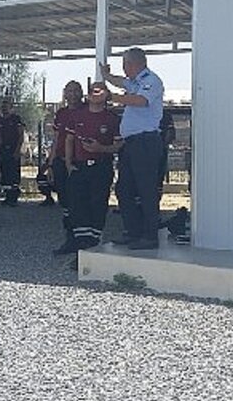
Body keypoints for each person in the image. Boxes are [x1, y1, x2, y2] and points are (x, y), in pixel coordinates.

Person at [101, 47, 165, 250]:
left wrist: (111, 97)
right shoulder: (136, 82)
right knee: (124, 189)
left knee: (146, 190)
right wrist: (107, 75)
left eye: (125, 64)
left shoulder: (151, 81)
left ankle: (150, 236)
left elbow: (140, 100)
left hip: (146, 141)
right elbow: (121, 82)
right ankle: (133, 232)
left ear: (132, 64)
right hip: (131, 143)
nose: (124, 68)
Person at [54, 82, 122, 254]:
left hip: (100, 167)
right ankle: (77, 241)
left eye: (100, 91)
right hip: (78, 166)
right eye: (93, 91)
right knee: (75, 204)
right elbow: (67, 139)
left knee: (97, 204)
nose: (95, 93)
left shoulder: (112, 119)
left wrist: (101, 148)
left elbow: (119, 145)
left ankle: (93, 244)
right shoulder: (74, 115)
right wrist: (68, 163)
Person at [46, 81, 86, 235]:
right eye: (70, 91)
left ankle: (79, 225)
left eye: (76, 91)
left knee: (78, 194)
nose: (73, 94)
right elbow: (56, 139)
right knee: (63, 193)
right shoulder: (61, 113)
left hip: (79, 160)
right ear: (65, 93)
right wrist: (50, 163)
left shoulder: (86, 110)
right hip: (61, 159)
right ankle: (68, 223)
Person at [0, 99, 25, 206]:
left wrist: (17, 150)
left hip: (13, 149)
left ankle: (14, 197)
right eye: (3, 107)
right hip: (4, 149)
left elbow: (21, 135)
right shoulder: (2, 121)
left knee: (13, 173)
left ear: (11, 108)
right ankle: (8, 196)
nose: (4, 109)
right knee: (5, 173)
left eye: (6, 107)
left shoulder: (16, 119)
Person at [158, 108, 176, 195]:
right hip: (141, 153)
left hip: (160, 153)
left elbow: (171, 133)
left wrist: (162, 146)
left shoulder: (165, 115)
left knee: (158, 180)